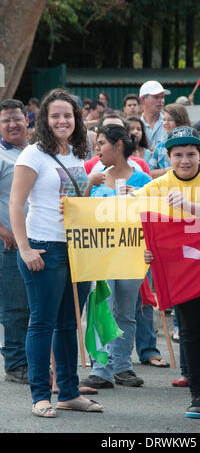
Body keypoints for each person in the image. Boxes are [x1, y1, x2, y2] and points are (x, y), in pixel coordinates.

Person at [9, 88, 103, 418]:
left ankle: (69, 392)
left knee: (68, 324)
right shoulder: (32, 154)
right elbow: (16, 204)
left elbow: (76, 201)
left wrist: (91, 186)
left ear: (76, 119)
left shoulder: (79, 153)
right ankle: (40, 395)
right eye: (56, 115)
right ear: (45, 121)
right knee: (43, 323)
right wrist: (24, 248)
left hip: (77, 248)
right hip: (43, 247)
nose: (62, 120)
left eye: (68, 115)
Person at [136, 126, 200, 419]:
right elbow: (127, 214)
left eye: (190, 154)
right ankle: (199, 395)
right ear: (168, 156)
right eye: (178, 155)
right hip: (183, 273)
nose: (185, 160)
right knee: (192, 333)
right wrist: (144, 248)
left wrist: (192, 207)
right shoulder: (157, 186)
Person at [81, 124, 152, 388]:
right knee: (102, 308)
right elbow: (79, 212)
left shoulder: (142, 179)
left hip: (132, 253)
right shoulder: (96, 176)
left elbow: (152, 216)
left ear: (118, 146)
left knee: (125, 311)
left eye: (101, 143)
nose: (97, 149)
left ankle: (123, 366)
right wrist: (89, 186)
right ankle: (101, 368)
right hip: (101, 254)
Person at [0, 99, 30, 384]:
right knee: (15, 307)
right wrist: (3, 231)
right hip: (9, 243)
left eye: (17, 119)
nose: (12, 124)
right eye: (6, 120)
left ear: (27, 120)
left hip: (37, 240)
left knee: (34, 308)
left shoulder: (35, 153)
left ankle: (27, 359)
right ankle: (16, 364)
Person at [149, 103, 192, 179]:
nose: (165, 123)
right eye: (164, 119)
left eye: (170, 119)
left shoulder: (193, 143)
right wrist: (167, 171)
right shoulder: (160, 145)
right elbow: (149, 172)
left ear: (181, 120)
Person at [139, 80, 171, 149]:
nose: (161, 101)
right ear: (143, 99)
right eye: (156, 97)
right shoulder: (135, 126)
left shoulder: (170, 123)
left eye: (162, 97)